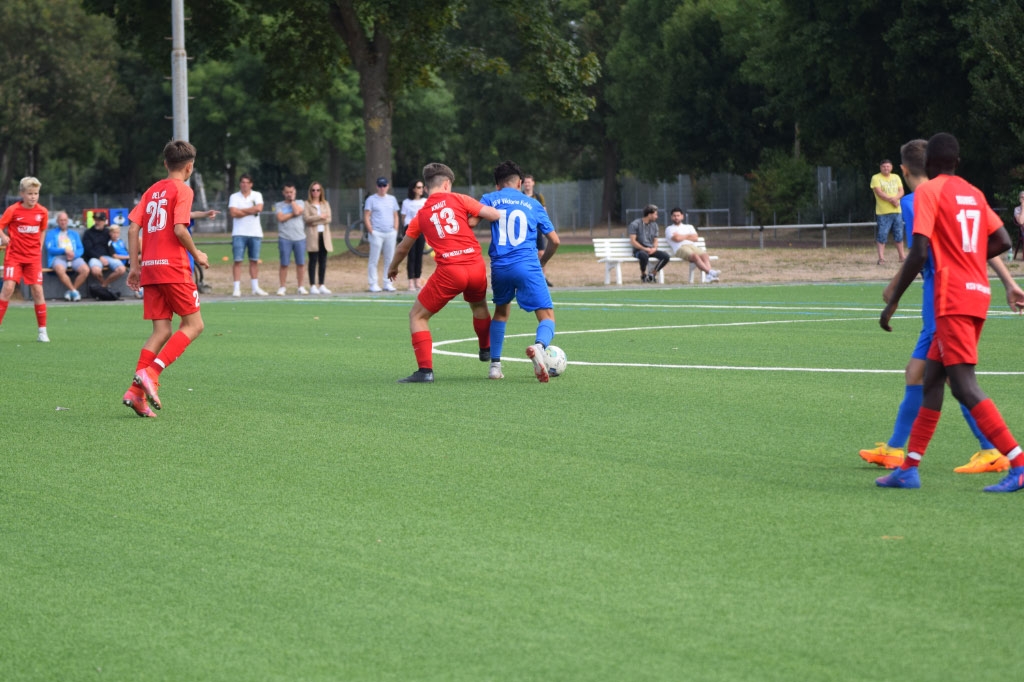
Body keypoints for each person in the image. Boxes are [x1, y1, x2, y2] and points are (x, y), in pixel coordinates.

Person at [861, 139, 1024, 473]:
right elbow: (978, 243)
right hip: (958, 293)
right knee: (923, 375)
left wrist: (893, 294)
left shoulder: (919, 199)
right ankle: (901, 456)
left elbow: (920, 252)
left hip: (944, 296)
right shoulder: (964, 193)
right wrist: (1008, 282)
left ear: (904, 170)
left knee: (955, 380)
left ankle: (1000, 453)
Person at [386, 162, 500, 383]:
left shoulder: (421, 214)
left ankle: (425, 371)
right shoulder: (459, 199)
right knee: (479, 306)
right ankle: (485, 348)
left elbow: (403, 248)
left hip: (451, 270)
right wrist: (474, 218)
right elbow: (493, 215)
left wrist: (393, 267)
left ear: (428, 186)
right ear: (447, 184)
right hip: (475, 266)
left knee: (417, 316)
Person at [122, 139, 209, 418]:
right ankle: (152, 373)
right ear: (189, 167)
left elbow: (132, 229)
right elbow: (180, 229)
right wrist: (197, 254)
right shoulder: (183, 189)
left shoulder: (151, 190)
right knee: (194, 325)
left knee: (161, 331)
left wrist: (134, 267)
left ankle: (135, 393)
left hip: (150, 268)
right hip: (173, 268)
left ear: (165, 164)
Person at [480, 160, 560, 382]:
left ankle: (495, 367)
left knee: (501, 312)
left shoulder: (489, 198)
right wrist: (543, 262)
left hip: (500, 267)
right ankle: (539, 347)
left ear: (497, 185)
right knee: (547, 316)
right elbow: (555, 241)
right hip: (527, 265)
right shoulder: (533, 204)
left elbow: (471, 220)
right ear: (519, 183)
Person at [0, 177, 49, 342]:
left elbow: (43, 229)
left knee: (38, 291)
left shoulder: (42, 212)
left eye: (36, 193)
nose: (33, 197)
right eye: (30, 193)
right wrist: (3, 237)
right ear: (22, 194)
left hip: (33, 257)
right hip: (14, 256)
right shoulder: (13, 210)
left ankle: (42, 331)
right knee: (8, 288)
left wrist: (39, 246)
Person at [228, 173, 267, 296]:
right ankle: (236, 288)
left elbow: (259, 208)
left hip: (255, 233)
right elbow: (233, 213)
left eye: (247, 182)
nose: (244, 185)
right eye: (242, 182)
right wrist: (251, 210)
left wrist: (241, 211)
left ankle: (255, 287)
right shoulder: (234, 196)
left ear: (251, 184)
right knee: (238, 261)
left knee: (254, 261)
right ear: (240, 184)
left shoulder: (257, 195)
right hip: (239, 233)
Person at [364, 176, 400, 292]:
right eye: (380, 186)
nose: (382, 188)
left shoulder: (392, 199)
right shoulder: (371, 199)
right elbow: (367, 216)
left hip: (390, 232)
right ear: (377, 186)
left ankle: (388, 283)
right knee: (374, 259)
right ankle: (373, 283)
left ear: (388, 186)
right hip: (377, 233)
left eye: (384, 185)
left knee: (390, 259)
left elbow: (395, 215)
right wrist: (371, 230)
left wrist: (395, 229)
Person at [665, 208, 720, 282]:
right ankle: (709, 272)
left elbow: (695, 238)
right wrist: (688, 236)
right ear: (671, 217)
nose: (676, 217)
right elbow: (677, 239)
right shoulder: (669, 229)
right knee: (695, 256)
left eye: (678, 215)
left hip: (692, 246)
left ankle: (708, 276)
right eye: (674, 216)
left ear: (682, 216)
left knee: (705, 255)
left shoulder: (689, 226)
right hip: (680, 248)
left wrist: (681, 236)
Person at [44, 211, 89, 301]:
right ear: (57, 221)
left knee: (86, 270)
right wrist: (64, 250)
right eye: (61, 220)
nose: (63, 222)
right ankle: (74, 291)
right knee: (60, 269)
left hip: (73, 257)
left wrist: (74, 254)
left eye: (65, 220)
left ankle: (71, 291)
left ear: (68, 221)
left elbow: (81, 248)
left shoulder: (74, 234)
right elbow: (50, 249)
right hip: (58, 257)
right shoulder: (51, 234)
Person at [273, 183, 308, 295]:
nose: (289, 194)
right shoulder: (279, 205)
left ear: (295, 192)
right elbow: (280, 218)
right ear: (283, 193)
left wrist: (292, 202)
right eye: (287, 192)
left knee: (301, 263)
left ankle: (301, 286)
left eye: (291, 192)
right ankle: (282, 287)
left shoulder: (300, 202)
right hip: (285, 237)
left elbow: (298, 211)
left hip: (300, 237)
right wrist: (293, 214)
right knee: (284, 263)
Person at [870, 159, 905, 265]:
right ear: (880, 168)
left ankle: (902, 257)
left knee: (899, 234)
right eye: (884, 166)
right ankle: (881, 258)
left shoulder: (896, 177)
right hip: (883, 212)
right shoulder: (876, 178)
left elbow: (901, 191)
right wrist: (893, 200)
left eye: (888, 166)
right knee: (882, 234)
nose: (886, 168)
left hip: (897, 211)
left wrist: (895, 199)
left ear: (891, 167)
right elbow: (879, 192)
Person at [81, 211, 126, 288]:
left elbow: (115, 243)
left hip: (109, 257)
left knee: (121, 269)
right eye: (96, 220)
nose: (97, 222)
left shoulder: (108, 232)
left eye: (100, 220)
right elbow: (88, 249)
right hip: (94, 257)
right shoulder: (88, 233)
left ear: (104, 221)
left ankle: (104, 285)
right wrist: (100, 257)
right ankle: (105, 286)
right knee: (96, 271)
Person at [302, 181, 333, 294]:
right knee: (313, 260)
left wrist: (314, 220)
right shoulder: (307, 204)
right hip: (312, 235)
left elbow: (328, 219)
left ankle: (322, 284)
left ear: (321, 192)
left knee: (323, 261)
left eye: (318, 190)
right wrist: (320, 217)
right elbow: (306, 219)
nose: (315, 192)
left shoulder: (325, 203)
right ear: (310, 191)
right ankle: (312, 285)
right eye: (313, 190)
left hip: (324, 235)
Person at [523, 174, 552, 286]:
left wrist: (544, 228)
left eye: (529, 182)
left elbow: (543, 212)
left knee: (541, 253)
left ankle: (543, 277)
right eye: (525, 182)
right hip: (524, 230)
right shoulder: (520, 197)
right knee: (526, 253)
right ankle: (527, 277)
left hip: (537, 229)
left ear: (533, 183)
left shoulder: (538, 197)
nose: (527, 184)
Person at [628, 204, 670, 283]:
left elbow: (655, 240)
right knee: (644, 255)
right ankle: (643, 274)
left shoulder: (655, 225)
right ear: (649, 215)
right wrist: (644, 248)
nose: (657, 217)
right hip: (639, 250)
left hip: (651, 250)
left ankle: (652, 274)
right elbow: (633, 241)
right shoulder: (635, 224)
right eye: (655, 214)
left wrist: (654, 248)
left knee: (666, 256)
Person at [401, 180, 427, 291]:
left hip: (421, 229)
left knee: (419, 255)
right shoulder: (406, 202)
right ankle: (410, 281)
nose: (421, 189)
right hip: (410, 229)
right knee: (411, 255)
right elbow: (403, 217)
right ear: (413, 189)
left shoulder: (425, 201)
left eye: (422, 187)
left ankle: (418, 280)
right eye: (418, 187)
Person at [1013, 190, 1024, 260]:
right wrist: (1023, 208)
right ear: (1019, 199)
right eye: (1022, 197)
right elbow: (1021, 222)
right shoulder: (1017, 209)